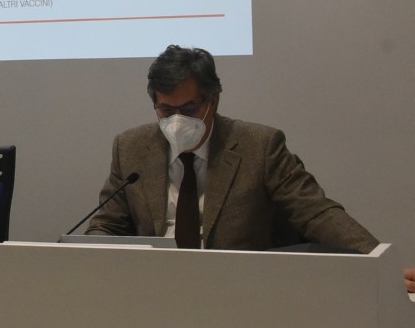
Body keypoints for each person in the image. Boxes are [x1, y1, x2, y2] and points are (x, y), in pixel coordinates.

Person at [86, 45, 378, 252]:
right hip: (155, 286)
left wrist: (377, 259)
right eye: (166, 110)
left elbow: (315, 212)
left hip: (241, 286)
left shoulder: (260, 146)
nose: (177, 120)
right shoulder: (131, 148)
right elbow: (107, 225)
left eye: (189, 108)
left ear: (213, 101)